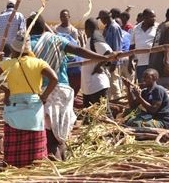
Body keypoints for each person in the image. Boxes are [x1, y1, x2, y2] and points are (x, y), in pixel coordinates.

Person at [30, 15, 114, 160]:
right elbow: (78, 51)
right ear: (44, 27)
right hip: (61, 90)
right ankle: (62, 160)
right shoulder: (56, 40)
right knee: (60, 131)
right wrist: (103, 58)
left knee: (47, 130)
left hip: (39, 92)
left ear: (28, 29)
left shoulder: (27, 45)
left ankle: (55, 162)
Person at [0, 32, 58, 167]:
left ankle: (13, 168)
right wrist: (44, 95)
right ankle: (34, 169)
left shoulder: (6, 64)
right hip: (34, 108)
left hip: (13, 106)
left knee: (14, 145)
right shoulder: (38, 63)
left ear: (14, 48)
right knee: (34, 149)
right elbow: (54, 79)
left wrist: (7, 90)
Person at [80, 18, 113, 112]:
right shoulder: (91, 39)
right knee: (89, 117)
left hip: (97, 85)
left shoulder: (95, 38)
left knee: (103, 115)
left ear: (87, 29)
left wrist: (98, 66)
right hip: (89, 86)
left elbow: (109, 53)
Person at [148, 7, 169, 90]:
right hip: (162, 62)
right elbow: (167, 45)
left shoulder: (161, 25)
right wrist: (167, 61)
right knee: (165, 88)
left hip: (155, 60)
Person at [97, 9, 123, 100]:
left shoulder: (114, 27)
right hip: (107, 61)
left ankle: (119, 106)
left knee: (114, 85)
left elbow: (117, 47)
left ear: (105, 18)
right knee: (108, 86)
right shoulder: (107, 27)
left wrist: (114, 63)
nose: (101, 21)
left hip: (112, 62)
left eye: (101, 19)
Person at [131, 8, 158, 83]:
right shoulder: (136, 29)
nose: (154, 19)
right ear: (144, 18)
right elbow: (132, 46)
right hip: (140, 63)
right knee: (142, 85)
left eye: (154, 16)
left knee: (154, 85)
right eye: (152, 17)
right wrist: (130, 61)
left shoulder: (158, 28)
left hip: (154, 63)